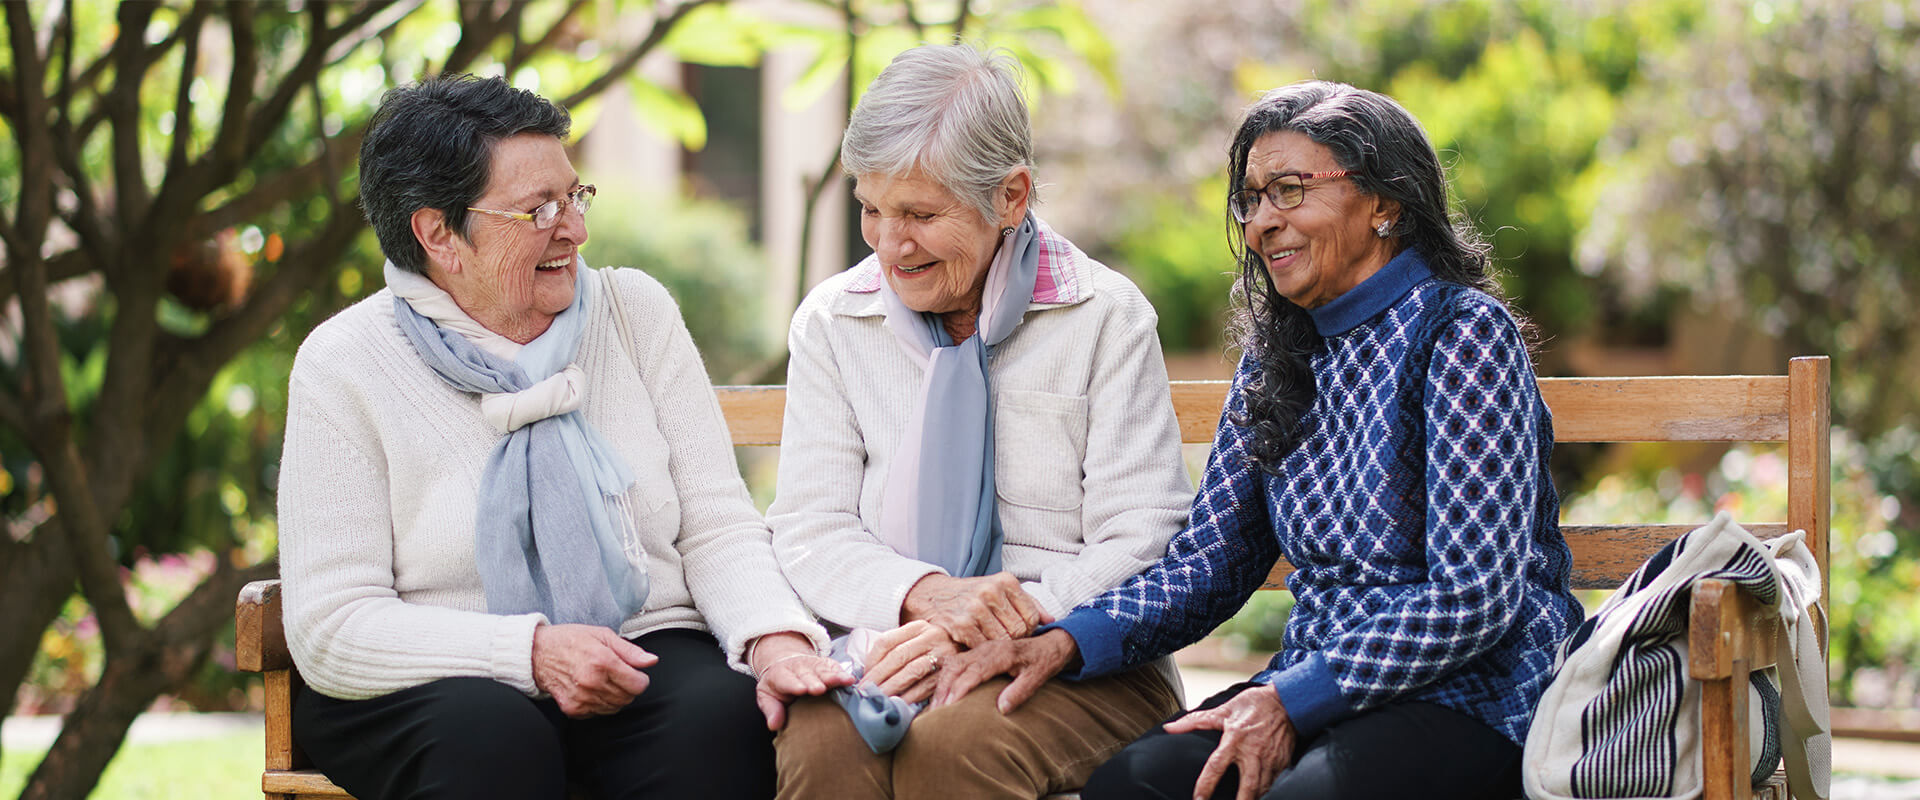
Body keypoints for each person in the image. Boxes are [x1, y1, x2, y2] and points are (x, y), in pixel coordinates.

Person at [934, 80, 1585, 800]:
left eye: (1289, 190)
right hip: (1314, 685)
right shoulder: (1278, 358)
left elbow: (1474, 596)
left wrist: (1291, 700)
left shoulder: (1461, 334)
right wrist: (1066, 640)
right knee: (1133, 785)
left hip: (1473, 694)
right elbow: (1210, 564)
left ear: (1385, 203)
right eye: (1252, 199)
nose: (1260, 225)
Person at [277, 73, 847, 800]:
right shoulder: (345, 363)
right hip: (432, 671)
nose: (573, 228)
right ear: (438, 234)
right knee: (493, 740)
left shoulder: (634, 312)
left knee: (722, 721)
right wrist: (530, 652)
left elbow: (716, 528)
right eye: (537, 210)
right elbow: (333, 624)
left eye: (574, 197)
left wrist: (772, 638)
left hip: (642, 641)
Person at [766, 44, 1194, 798]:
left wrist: (999, 621)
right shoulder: (835, 322)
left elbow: (1144, 533)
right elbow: (810, 526)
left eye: (921, 214)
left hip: (1074, 650)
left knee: (953, 746)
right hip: (887, 637)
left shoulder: (1104, 317)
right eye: (871, 208)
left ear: (1011, 196)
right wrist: (930, 597)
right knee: (824, 740)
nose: (889, 244)